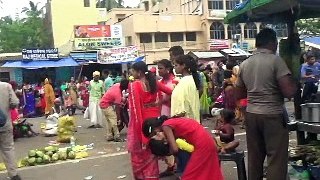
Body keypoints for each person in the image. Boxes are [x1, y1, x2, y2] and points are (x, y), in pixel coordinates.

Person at [235, 28, 297, 180]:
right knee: (276, 159)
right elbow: (288, 91)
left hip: (252, 114)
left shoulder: (245, 63)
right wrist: (295, 82)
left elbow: (238, 93)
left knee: (255, 158)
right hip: (272, 114)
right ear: (272, 42)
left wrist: (247, 106)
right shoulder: (276, 61)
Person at [127, 61, 172, 180]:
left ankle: (143, 176)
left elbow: (136, 110)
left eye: (132, 71)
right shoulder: (153, 82)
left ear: (139, 72)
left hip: (143, 121)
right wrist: (159, 103)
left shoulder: (134, 85)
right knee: (152, 151)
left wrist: (141, 134)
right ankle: (152, 176)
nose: (131, 73)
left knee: (140, 153)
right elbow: (170, 91)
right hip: (155, 120)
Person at [142, 116, 224, 180]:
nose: (156, 137)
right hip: (205, 141)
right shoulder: (169, 122)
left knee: (190, 175)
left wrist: (168, 151)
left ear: (155, 131)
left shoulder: (166, 127)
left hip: (202, 144)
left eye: (153, 136)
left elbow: (174, 149)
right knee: (204, 173)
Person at [157, 59, 179, 177]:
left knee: (174, 140)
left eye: (160, 68)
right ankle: (171, 166)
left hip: (171, 113)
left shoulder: (174, 81)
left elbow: (174, 98)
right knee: (165, 141)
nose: (158, 70)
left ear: (168, 69)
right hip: (162, 114)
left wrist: (165, 100)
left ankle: (175, 165)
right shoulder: (160, 81)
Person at [0, 82, 22, 180]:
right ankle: (13, 175)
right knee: (8, 149)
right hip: (5, 124)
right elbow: (15, 102)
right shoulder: (6, 86)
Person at [171, 55, 201, 122]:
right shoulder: (190, 80)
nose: (174, 68)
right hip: (192, 120)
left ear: (183, 66)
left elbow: (180, 110)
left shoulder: (184, 83)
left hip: (185, 122)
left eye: (176, 65)